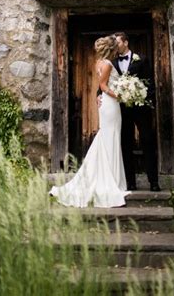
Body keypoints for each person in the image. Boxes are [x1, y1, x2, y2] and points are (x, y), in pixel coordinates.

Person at [49, 35, 129, 207]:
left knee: (108, 137)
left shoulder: (98, 63)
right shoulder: (107, 64)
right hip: (111, 104)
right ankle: (110, 179)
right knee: (111, 136)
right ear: (112, 49)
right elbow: (103, 86)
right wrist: (121, 96)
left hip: (107, 104)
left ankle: (112, 177)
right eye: (115, 47)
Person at [113, 32, 161, 191]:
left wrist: (148, 102)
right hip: (122, 110)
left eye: (117, 42)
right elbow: (106, 83)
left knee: (147, 141)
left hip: (141, 109)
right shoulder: (112, 62)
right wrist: (100, 96)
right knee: (126, 144)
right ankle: (130, 182)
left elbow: (150, 83)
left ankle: (153, 182)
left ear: (125, 42)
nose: (115, 45)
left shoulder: (141, 59)